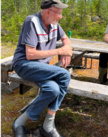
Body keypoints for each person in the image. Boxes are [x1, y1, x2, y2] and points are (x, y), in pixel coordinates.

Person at [11, 0, 72, 136]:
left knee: (53, 89)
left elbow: (66, 39)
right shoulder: (31, 21)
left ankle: (19, 123)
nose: (61, 17)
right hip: (24, 65)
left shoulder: (54, 24)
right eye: (59, 13)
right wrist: (59, 51)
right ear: (48, 11)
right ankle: (48, 126)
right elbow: (30, 54)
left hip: (42, 68)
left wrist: (67, 50)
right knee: (65, 75)